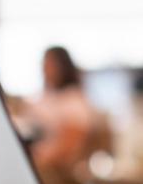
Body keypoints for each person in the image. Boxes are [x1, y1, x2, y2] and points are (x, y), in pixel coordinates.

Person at [23, 46, 97, 175]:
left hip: (54, 172)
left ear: (63, 67)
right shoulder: (42, 98)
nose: (45, 68)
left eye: (50, 64)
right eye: (44, 63)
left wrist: (38, 161)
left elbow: (69, 145)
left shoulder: (74, 101)